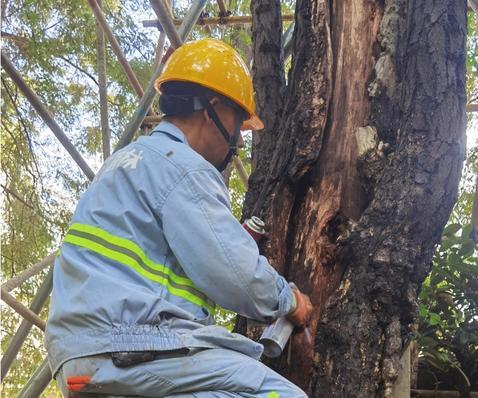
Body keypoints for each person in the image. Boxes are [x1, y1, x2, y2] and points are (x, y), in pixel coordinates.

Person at [45, 38, 312, 398]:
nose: (239, 141)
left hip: (80, 357)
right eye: (239, 124)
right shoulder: (183, 167)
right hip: (133, 344)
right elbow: (236, 276)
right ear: (212, 109)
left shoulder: (123, 163)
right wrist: (289, 301)